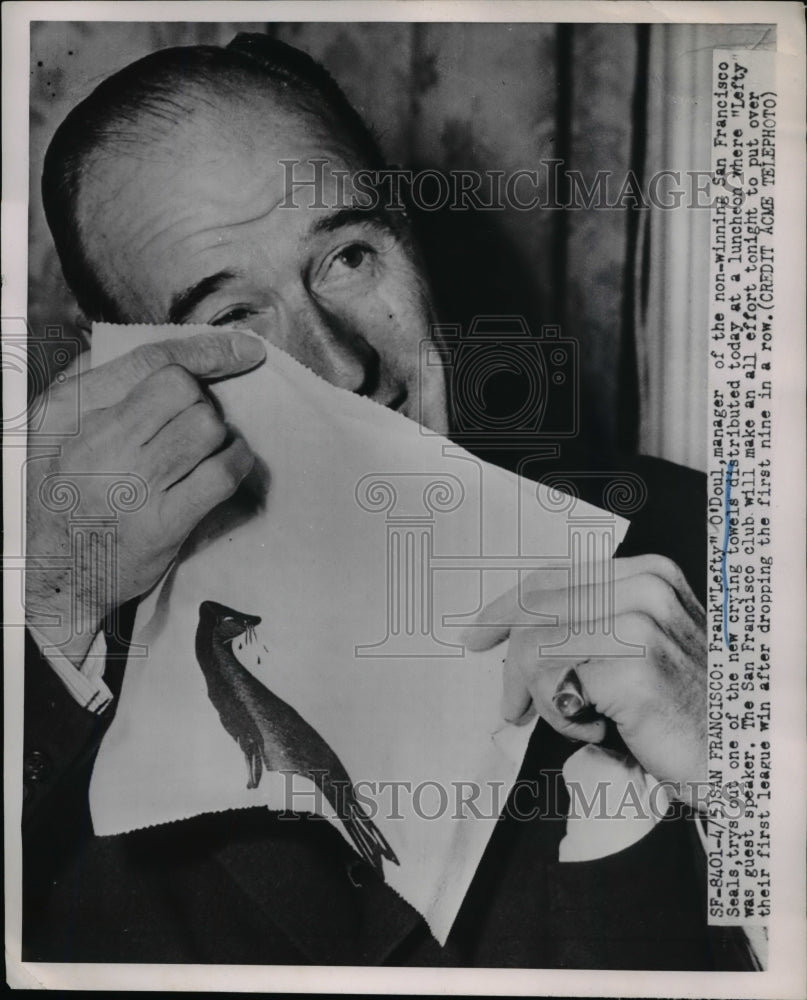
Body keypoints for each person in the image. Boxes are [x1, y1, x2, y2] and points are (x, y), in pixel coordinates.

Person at [22, 34, 749, 969]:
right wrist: (50, 610)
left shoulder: (719, 545)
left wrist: (736, 778)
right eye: (232, 317)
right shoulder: (66, 672)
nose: (346, 364)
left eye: (349, 257)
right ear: (131, 372)